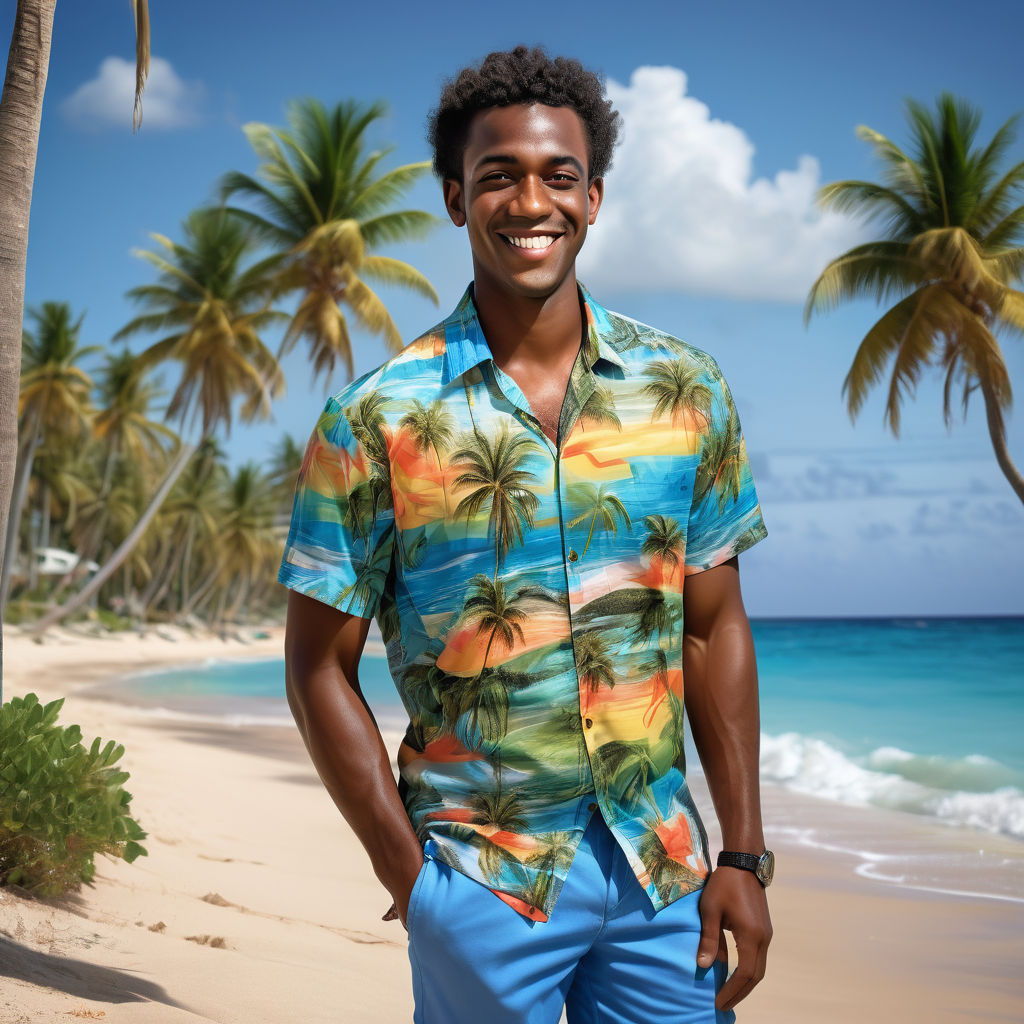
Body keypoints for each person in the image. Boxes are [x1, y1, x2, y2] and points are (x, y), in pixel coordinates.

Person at [278, 45, 773, 1024]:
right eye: (497, 175)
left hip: (663, 872)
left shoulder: (686, 388)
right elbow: (316, 666)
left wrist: (744, 856)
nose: (528, 201)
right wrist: (413, 882)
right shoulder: (375, 417)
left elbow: (714, 627)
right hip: (480, 876)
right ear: (457, 198)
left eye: (558, 175)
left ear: (593, 198)